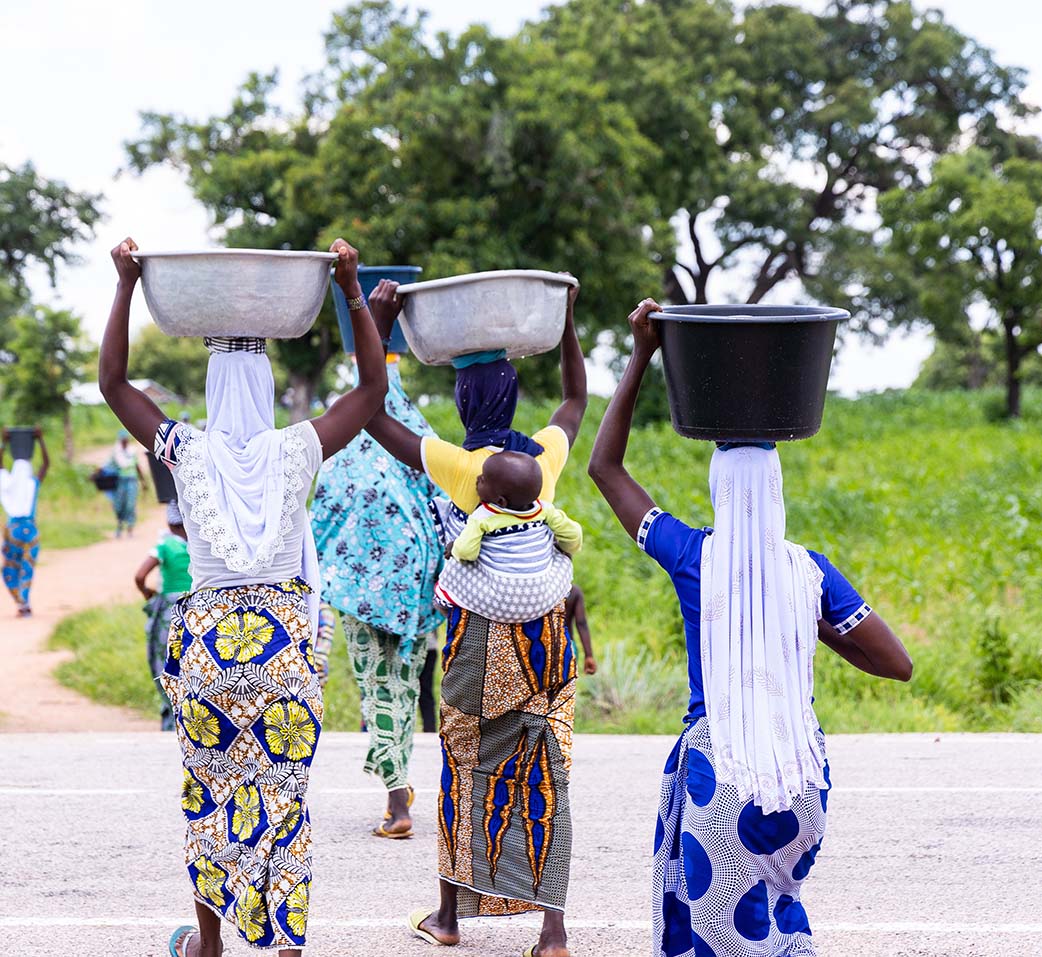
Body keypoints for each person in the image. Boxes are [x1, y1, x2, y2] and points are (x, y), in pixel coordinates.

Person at [587, 299, 913, 957]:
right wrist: (803, 624)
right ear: (778, 490)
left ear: (717, 489)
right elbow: (896, 662)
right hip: (801, 779)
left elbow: (605, 469)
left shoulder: (690, 556)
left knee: (717, 936)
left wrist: (642, 354)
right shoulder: (811, 574)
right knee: (779, 921)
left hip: (723, 772)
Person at [99, 235, 387, 957]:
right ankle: (286, 946)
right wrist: (351, 291)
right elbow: (372, 393)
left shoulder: (185, 449)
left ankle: (209, 942)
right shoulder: (300, 446)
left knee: (210, 794)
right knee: (283, 803)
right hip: (285, 646)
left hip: (209, 652)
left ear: (212, 389)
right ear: (263, 387)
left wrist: (126, 284)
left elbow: (113, 384)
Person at [364, 278, 585, 957]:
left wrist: (376, 327)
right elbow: (575, 399)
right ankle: (552, 931)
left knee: (464, 766)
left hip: (475, 642)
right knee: (547, 767)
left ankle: (449, 917)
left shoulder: (463, 469)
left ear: (462, 400)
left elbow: (372, 413)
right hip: (546, 640)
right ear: (514, 394)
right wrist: (566, 317)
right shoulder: (540, 466)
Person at [309, 299, 445, 840]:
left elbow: (323, 511)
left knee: (379, 690)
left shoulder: (344, 440)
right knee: (404, 688)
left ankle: (397, 800)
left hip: (360, 588)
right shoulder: (414, 430)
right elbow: (439, 499)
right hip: (414, 586)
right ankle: (400, 786)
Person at [440, 450, 582, 572]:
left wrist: (454, 547)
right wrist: (562, 548)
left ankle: (442, 603)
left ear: (501, 501)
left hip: (502, 590)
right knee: (563, 559)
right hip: (541, 592)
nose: (477, 478)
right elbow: (574, 534)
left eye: (483, 479)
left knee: (455, 573)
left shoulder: (483, 516)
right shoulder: (545, 510)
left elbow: (466, 551)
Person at [134, 501, 191, 730]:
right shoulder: (200, 545)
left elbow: (139, 576)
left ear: (169, 522)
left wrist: (148, 594)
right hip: (194, 606)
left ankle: (171, 714)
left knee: (165, 662)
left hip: (169, 610)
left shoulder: (165, 546)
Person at [0, 427, 48, 617]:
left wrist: (5, 442)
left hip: (12, 531)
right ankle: (24, 602)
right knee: (27, 568)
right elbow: (46, 464)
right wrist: (40, 440)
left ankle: (21, 602)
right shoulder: (32, 484)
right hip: (30, 530)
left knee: (10, 568)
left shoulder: (7, 484)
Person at [111, 428, 148, 536]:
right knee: (119, 504)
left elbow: (137, 466)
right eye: (122, 439)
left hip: (132, 481)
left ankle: (130, 527)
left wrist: (143, 481)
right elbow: (109, 466)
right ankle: (119, 524)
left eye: (126, 439)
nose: (124, 441)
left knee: (130, 504)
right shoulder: (116, 453)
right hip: (121, 481)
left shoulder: (132, 451)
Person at [564, 585, 596, 676]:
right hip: (567, 648)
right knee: (566, 687)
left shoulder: (544, 591)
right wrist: (589, 655)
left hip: (542, 647)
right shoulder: (574, 592)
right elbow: (581, 623)